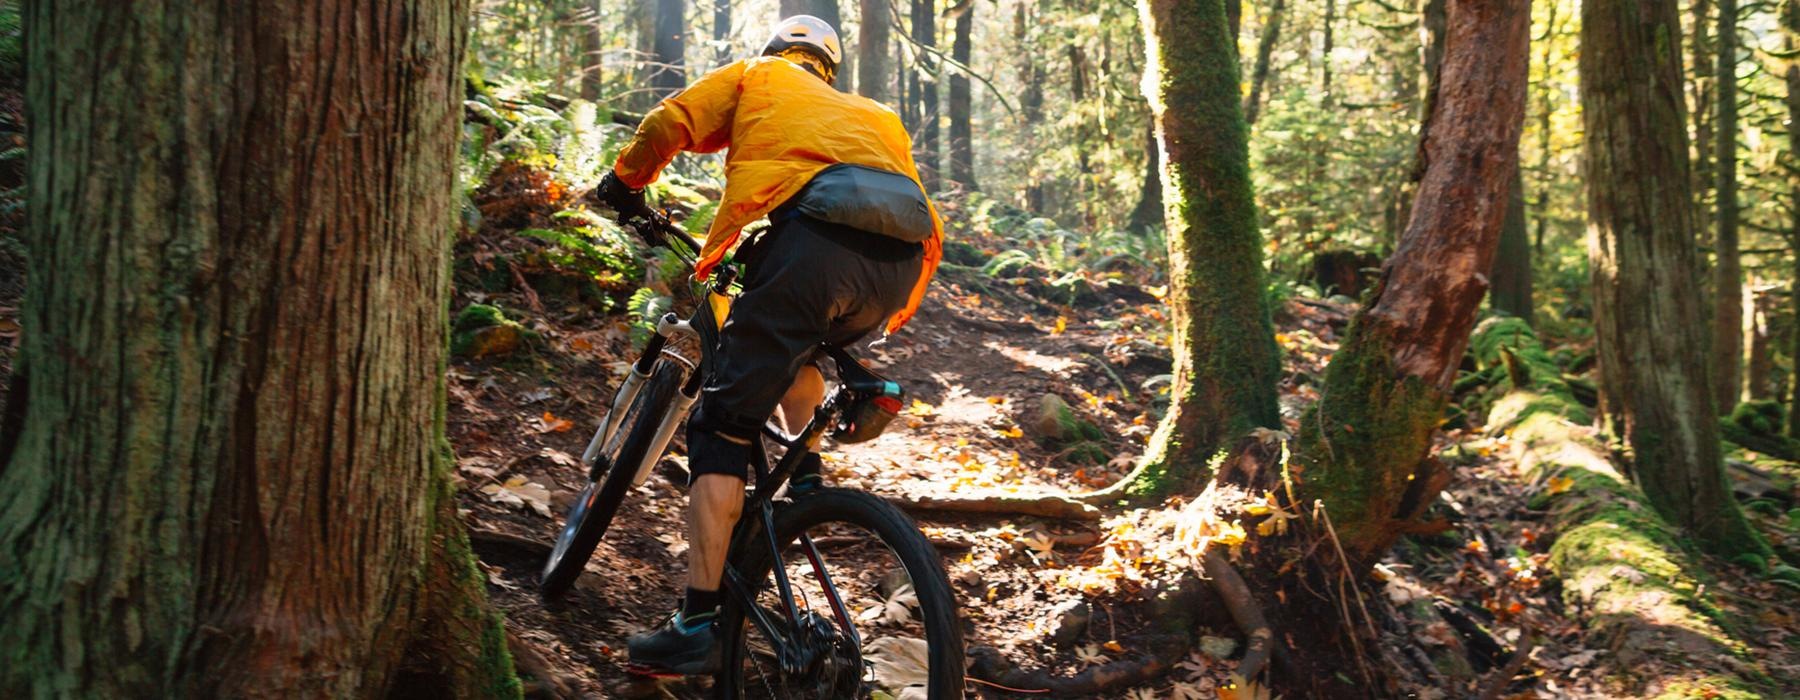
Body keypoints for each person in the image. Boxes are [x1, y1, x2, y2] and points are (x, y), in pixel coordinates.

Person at [590, 15, 944, 674]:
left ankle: (695, 624)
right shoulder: (875, 113)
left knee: (720, 426)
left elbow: (671, 124)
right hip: (899, 265)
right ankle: (805, 491)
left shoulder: (759, 73)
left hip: (815, 245)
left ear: (781, 51)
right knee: (797, 351)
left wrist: (624, 184)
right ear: (829, 69)